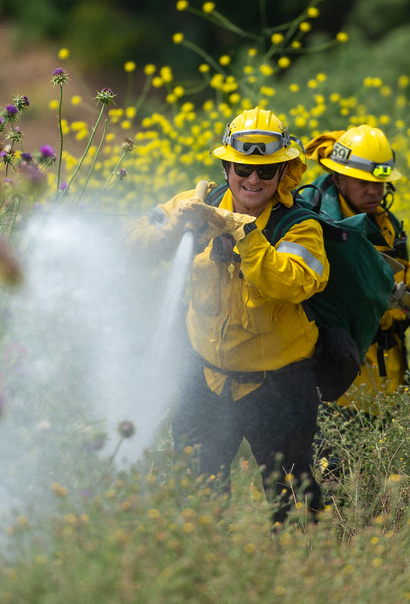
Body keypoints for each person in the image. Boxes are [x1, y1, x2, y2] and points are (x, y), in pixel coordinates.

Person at [125, 107, 329, 526]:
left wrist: (241, 231)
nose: (252, 180)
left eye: (266, 171)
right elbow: (130, 242)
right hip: (206, 379)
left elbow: (290, 283)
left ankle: (298, 577)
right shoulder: (196, 203)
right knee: (197, 499)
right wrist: (172, 229)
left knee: (293, 507)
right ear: (225, 166)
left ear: (283, 172)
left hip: (278, 387)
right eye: (242, 168)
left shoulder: (300, 226)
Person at [303, 125, 410, 416]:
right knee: (337, 460)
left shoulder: (385, 222)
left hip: (387, 376)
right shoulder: (316, 223)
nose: (374, 191)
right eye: (362, 183)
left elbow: (406, 270)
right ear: (339, 178)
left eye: (379, 184)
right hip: (338, 379)